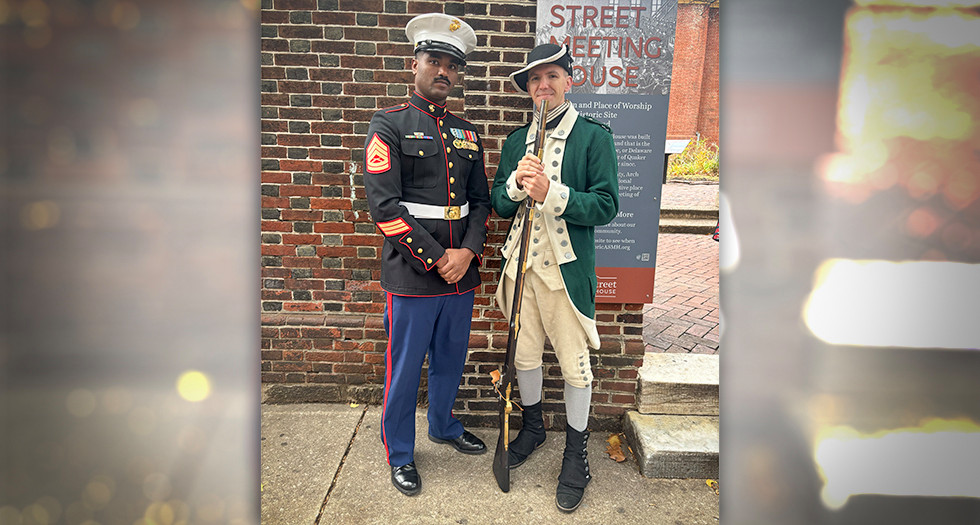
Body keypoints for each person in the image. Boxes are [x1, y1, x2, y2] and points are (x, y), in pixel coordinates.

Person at [362, 13, 490, 497]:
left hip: (462, 275)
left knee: (450, 360)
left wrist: (470, 252)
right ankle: (400, 452)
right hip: (415, 274)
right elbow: (385, 207)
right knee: (405, 366)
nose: (443, 71)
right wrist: (440, 257)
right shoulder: (389, 124)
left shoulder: (467, 132)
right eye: (434, 60)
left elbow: (480, 201)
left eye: (452, 65)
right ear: (414, 64)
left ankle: (443, 425)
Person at [490, 43, 619, 513]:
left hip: (563, 275)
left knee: (573, 365)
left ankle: (576, 454)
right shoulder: (514, 141)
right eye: (534, 80)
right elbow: (500, 206)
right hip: (519, 269)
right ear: (528, 89)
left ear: (569, 80)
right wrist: (513, 185)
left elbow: (606, 205)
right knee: (524, 357)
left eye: (551, 77)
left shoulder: (593, 137)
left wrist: (552, 192)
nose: (542, 86)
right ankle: (533, 427)